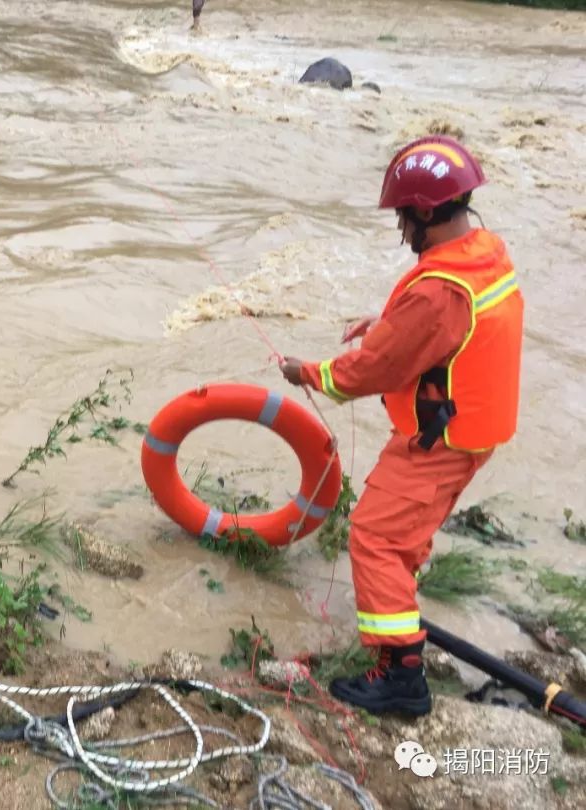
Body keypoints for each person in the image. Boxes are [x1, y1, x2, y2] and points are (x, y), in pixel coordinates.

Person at [278, 135, 524, 717]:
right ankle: (400, 620)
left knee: (374, 537)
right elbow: (441, 328)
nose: (402, 229)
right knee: (401, 533)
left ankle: (400, 675)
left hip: (436, 439)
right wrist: (389, 322)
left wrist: (307, 373)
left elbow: (373, 369)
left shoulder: (438, 292)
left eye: (403, 217)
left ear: (423, 211)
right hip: (469, 431)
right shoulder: (484, 252)